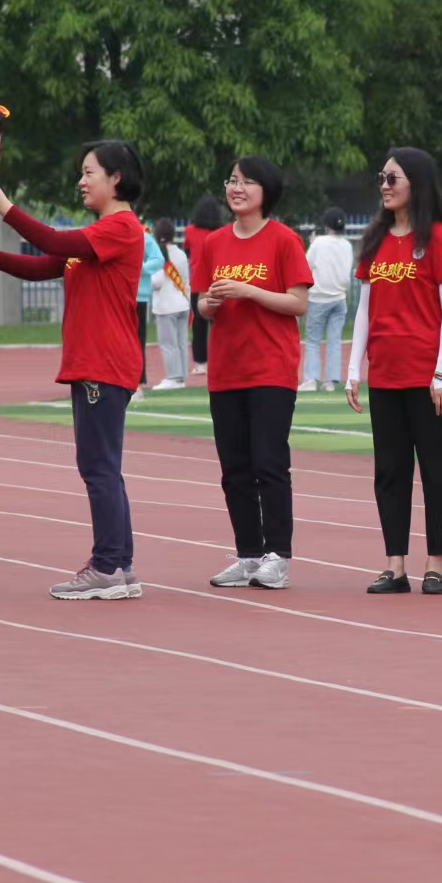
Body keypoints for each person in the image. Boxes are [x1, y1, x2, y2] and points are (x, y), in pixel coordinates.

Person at [0, 142, 148, 598]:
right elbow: (48, 264)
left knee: (98, 467)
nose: (81, 181)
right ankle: (119, 565)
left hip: (103, 362)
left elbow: (54, 242)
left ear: (116, 177)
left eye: (89, 172)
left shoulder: (121, 228)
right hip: (97, 361)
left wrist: (4, 205)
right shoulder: (99, 234)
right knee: (104, 467)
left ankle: (107, 566)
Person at [345, 148, 442, 595]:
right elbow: (364, 310)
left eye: (393, 178)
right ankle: (395, 565)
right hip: (386, 374)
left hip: (428, 377)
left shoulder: (439, 238)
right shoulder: (375, 239)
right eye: (382, 177)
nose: (385, 185)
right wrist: (353, 369)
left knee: (435, 470)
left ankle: (435, 564)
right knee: (390, 472)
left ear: (417, 182)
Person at [195, 156, 311, 590]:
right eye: (232, 180)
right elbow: (202, 303)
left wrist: (249, 291)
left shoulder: (284, 240)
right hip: (227, 370)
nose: (236, 188)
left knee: (269, 463)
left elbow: (298, 303)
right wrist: (209, 304)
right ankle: (248, 555)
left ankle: (277, 555)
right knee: (234, 469)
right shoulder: (214, 243)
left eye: (246, 182)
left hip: (271, 369)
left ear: (266, 191)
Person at [299, 207, 353, 393]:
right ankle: (330, 382)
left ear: (326, 225)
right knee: (334, 341)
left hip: (319, 297)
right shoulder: (347, 245)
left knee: (313, 341)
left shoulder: (319, 243)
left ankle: (311, 379)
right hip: (339, 298)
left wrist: (313, 242)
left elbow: (306, 265)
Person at [185, 194, 226, 376]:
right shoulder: (223, 232)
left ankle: (201, 362)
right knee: (220, 323)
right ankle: (222, 360)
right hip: (218, 280)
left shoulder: (190, 231)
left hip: (197, 282)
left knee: (199, 324)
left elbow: (188, 251)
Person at [150, 219, 191, 390]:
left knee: (168, 344)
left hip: (166, 305)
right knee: (181, 342)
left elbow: (157, 282)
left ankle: (173, 377)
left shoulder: (157, 254)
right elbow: (186, 281)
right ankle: (181, 377)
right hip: (182, 303)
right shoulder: (180, 254)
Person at [134, 217, 164, 394]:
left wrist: (140, 268)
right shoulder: (110, 234)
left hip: (138, 296)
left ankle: (137, 379)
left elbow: (158, 259)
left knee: (137, 339)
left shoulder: (142, 236)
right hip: (114, 295)